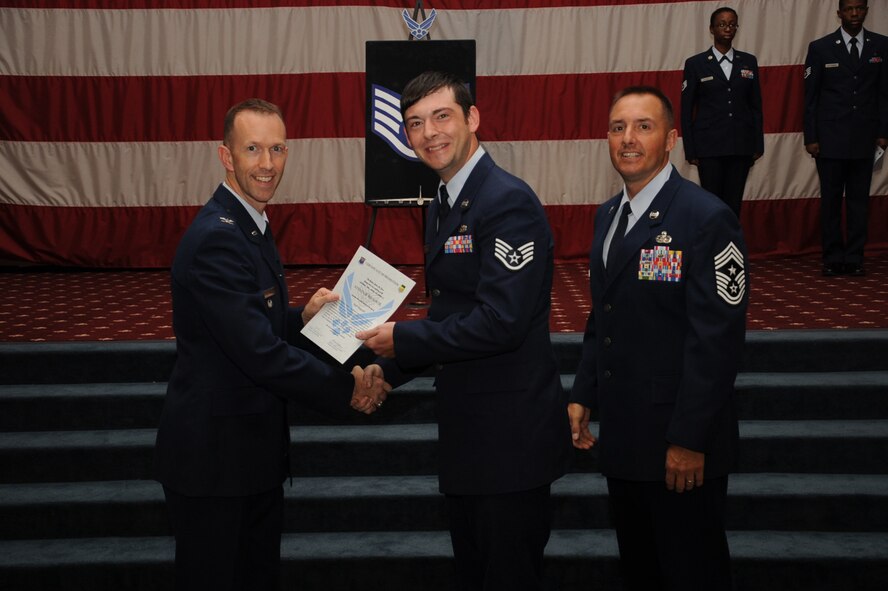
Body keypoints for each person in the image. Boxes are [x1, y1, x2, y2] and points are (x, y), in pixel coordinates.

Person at [154, 98, 389, 591]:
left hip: (248, 458)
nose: (267, 163)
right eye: (253, 149)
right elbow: (258, 354)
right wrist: (346, 385)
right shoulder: (218, 238)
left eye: (277, 148)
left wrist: (297, 316)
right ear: (226, 156)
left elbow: (248, 325)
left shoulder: (248, 225)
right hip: (216, 466)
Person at [356, 71, 572, 591]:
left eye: (441, 116)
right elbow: (450, 316)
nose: (429, 132)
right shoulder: (445, 202)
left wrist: (402, 340)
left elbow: (502, 323)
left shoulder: (506, 201)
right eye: (414, 123)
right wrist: (387, 372)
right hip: (470, 439)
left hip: (509, 443)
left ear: (472, 118)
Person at [568, 86, 748, 591]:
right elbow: (601, 317)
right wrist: (583, 392)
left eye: (643, 126)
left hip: (679, 445)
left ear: (671, 139)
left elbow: (717, 343)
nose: (628, 139)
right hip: (625, 440)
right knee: (642, 570)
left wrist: (689, 439)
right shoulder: (608, 216)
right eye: (618, 127)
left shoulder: (706, 218)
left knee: (691, 571)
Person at [804, 0, 888, 277]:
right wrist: (811, 137)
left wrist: (883, 133)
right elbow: (811, 98)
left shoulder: (881, 45)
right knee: (830, 202)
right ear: (839, 13)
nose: (854, 13)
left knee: (858, 202)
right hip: (828, 140)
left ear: (866, 11)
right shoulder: (820, 47)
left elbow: (884, 94)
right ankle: (832, 257)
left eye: (860, 8)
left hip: (865, 139)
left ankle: (854, 257)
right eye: (849, 9)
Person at [680, 6, 764, 218]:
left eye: (732, 24)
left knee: (733, 205)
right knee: (711, 206)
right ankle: (711, 251)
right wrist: (691, 150)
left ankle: (731, 250)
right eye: (722, 24)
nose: (727, 28)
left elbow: (756, 106)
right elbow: (686, 110)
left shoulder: (749, 61)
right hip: (709, 148)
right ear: (712, 29)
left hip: (741, 146)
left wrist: (757, 144)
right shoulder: (695, 64)